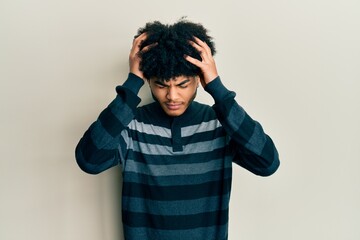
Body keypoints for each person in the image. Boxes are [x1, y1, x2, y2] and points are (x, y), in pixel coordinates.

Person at [75, 19, 280, 240]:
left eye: (183, 84)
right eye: (161, 85)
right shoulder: (131, 123)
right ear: (149, 81)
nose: (172, 96)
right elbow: (89, 160)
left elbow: (267, 163)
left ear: (199, 80)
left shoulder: (221, 123)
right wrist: (132, 83)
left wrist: (218, 90)